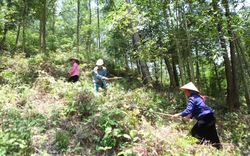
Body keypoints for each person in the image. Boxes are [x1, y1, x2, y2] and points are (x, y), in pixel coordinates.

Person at [172, 82, 222, 149]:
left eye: (185, 91)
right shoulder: (197, 96)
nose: (185, 92)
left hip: (205, 118)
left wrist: (178, 114)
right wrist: (189, 117)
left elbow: (188, 110)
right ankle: (219, 149)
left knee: (195, 132)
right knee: (212, 134)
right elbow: (197, 109)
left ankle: (197, 149)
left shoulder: (192, 98)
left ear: (188, 90)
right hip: (211, 117)